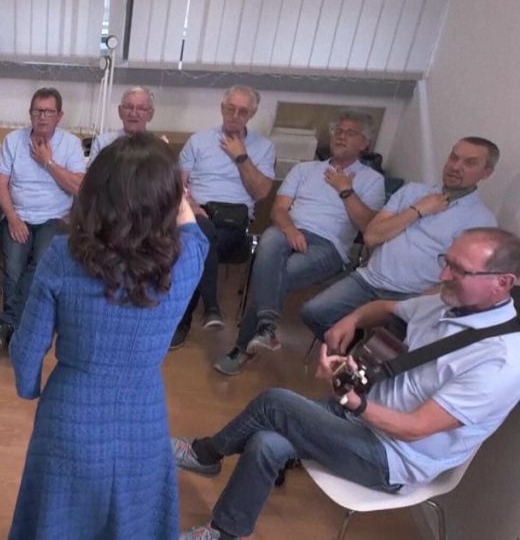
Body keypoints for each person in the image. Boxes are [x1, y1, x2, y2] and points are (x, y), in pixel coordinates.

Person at [174, 227, 520, 540]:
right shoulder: (445, 304)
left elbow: (415, 429)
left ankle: (207, 453)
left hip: (393, 457)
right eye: (447, 261)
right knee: (267, 443)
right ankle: (223, 532)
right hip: (361, 420)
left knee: (275, 403)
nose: (444, 275)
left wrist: (356, 403)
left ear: (503, 282)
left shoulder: (502, 361)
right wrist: (351, 320)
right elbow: (386, 307)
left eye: (459, 270)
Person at [9, 134, 208, 539]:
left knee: (57, 520)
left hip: (70, 414)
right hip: (144, 415)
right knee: (131, 521)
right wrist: (170, 183)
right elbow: (194, 233)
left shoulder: (63, 256)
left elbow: (27, 350)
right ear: (170, 200)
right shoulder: (185, 261)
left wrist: (29, 386)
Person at [213, 112, 385, 375]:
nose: (340, 135)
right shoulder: (305, 169)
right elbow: (279, 210)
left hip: (329, 247)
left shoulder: (373, 180)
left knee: (271, 276)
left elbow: (367, 226)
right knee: (270, 237)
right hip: (288, 233)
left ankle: (244, 346)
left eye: (350, 133)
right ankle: (266, 328)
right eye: (338, 130)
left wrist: (345, 190)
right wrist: (291, 229)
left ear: (365, 144)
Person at [301, 137, 500, 340]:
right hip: (369, 279)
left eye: (469, 163)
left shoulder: (482, 221)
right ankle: (355, 350)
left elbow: (462, 277)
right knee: (314, 313)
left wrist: (421, 304)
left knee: (392, 346)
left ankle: (362, 355)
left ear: (487, 173)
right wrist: (418, 210)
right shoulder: (413, 191)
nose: (456, 166)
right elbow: (371, 236)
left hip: (411, 295)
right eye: (454, 157)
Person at [175, 85, 276, 346]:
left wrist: (241, 157)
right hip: (198, 212)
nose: (235, 115)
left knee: (200, 243)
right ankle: (210, 307)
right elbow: (179, 184)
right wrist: (191, 204)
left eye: (242, 111)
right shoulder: (198, 141)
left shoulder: (263, 147)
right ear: (222, 108)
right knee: (201, 232)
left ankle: (187, 319)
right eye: (230, 108)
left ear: (251, 114)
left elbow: (262, 191)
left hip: (235, 223)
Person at [0, 87, 86, 349]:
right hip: (17, 215)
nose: (42, 117)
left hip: (54, 218)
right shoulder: (13, 140)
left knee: (41, 262)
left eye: (49, 112)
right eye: (37, 111)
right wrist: (12, 218)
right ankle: (18, 326)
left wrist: (48, 162)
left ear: (60, 115)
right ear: (30, 114)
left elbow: (79, 187)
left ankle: (10, 322)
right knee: (13, 266)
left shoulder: (70, 144)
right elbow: (0, 185)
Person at [87, 86, 156, 162]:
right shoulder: (102, 143)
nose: (133, 114)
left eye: (140, 108)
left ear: (150, 114)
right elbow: (93, 173)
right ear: (120, 112)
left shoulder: (157, 148)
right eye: (128, 107)